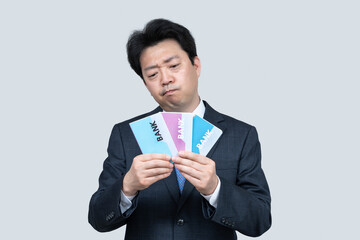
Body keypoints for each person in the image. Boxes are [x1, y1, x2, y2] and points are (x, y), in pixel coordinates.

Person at [88, 18, 271, 239]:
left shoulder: (241, 135)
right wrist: (127, 187)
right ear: (145, 83)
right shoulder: (126, 134)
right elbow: (98, 219)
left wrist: (215, 189)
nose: (165, 79)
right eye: (153, 74)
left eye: (174, 66)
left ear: (196, 66)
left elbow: (260, 220)